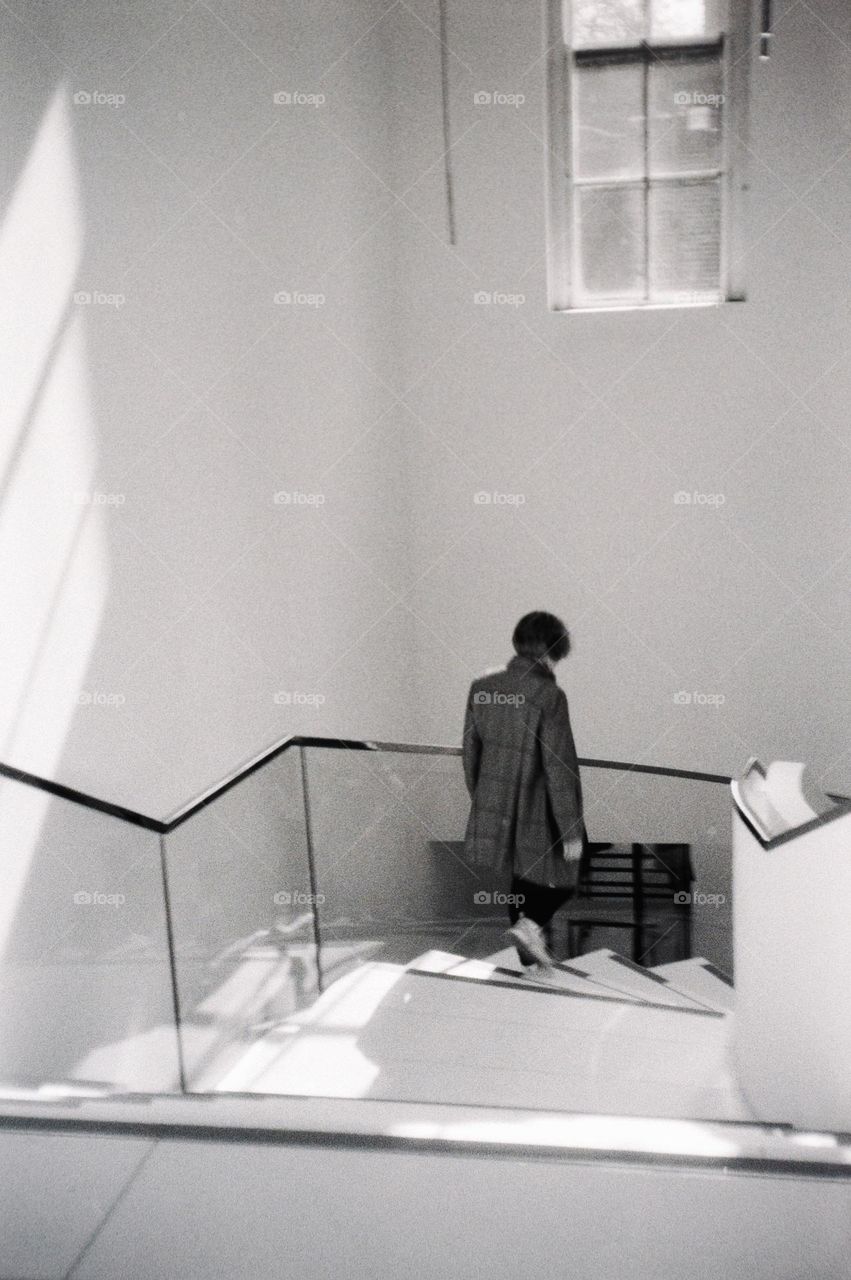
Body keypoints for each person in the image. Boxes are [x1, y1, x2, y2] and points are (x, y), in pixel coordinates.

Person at [462, 611, 585, 971]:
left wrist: (484, 799)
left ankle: (527, 965)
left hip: (496, 803)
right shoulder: (549, 695)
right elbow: (559, 768)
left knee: (520, 875)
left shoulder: (482, 687)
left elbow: (470, 753)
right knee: (567, 871)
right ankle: (530, 927)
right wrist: (571, 829)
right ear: (552, 648)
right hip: (540, 806)